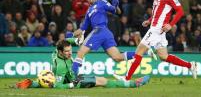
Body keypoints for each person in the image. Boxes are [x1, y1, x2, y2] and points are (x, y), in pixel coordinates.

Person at [121, 0, 197, 81]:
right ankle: (190, 65)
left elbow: (180, 12)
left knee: (139, 51)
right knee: (163, 56)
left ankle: (126, 78)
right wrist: (149, 20)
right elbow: (157, 13)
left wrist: (170, 25)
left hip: (157, 30)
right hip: (157, 29)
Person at [72, 0, 155, 76]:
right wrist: (71, 35)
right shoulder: (88, 11)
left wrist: (116, 6)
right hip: (104, 33)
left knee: (81, 52)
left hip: (99, 30)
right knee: (117, 57)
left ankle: (74, 76)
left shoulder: (101, 2)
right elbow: (82, 29)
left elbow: (116, 11)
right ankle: (145, 52)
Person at [15, 40, 150, 89]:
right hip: (74, 80)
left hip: (75, 75)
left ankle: (33, 83)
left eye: (70, 50)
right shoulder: (61, 67)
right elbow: (58, 86)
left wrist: (76, 41)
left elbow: (65, 40)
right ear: (61, 53)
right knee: (102, 81)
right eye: (67, 52)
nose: (70, 53)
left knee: (101, 80)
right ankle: (134, 84)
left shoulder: (56, 51)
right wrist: (73, 84)